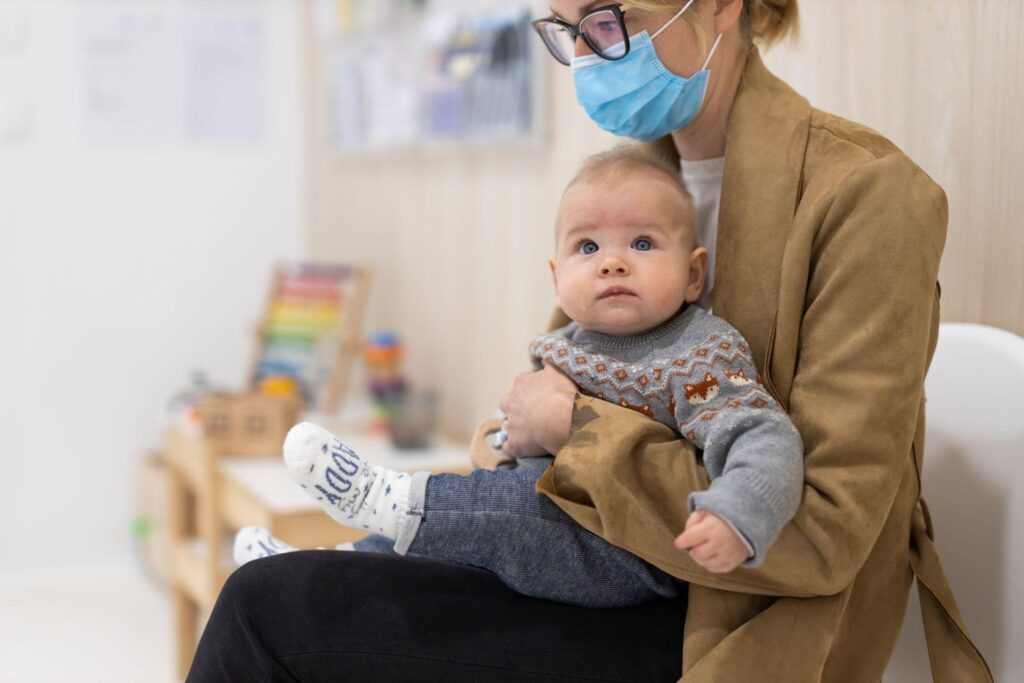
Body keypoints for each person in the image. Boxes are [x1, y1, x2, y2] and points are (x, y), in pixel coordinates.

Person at [188, 1, 992, 680]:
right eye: (567, 33)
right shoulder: (629, 186)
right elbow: (527, 408)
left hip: (727, 614)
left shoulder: (868, 197)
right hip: (578, 555)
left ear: (721, 6)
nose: (588, 61)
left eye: (610, 23)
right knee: (289, 584)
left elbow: (821, 531)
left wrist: (577, 432)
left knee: (269, 611)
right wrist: (524, 434)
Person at [232, 145, 804, 603]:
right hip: (541, 518)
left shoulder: (698, 352)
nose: (612, 260)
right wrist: (506, 440)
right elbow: (519, 440)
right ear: (558, 277)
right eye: (587, 246)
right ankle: (326, 569)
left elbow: (760, 434)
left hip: (625, 550)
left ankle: (392, 498)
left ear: (692, 274)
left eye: (643, 242)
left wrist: (738, 513)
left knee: (507, 507)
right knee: (463, 524)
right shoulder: (566, 344)